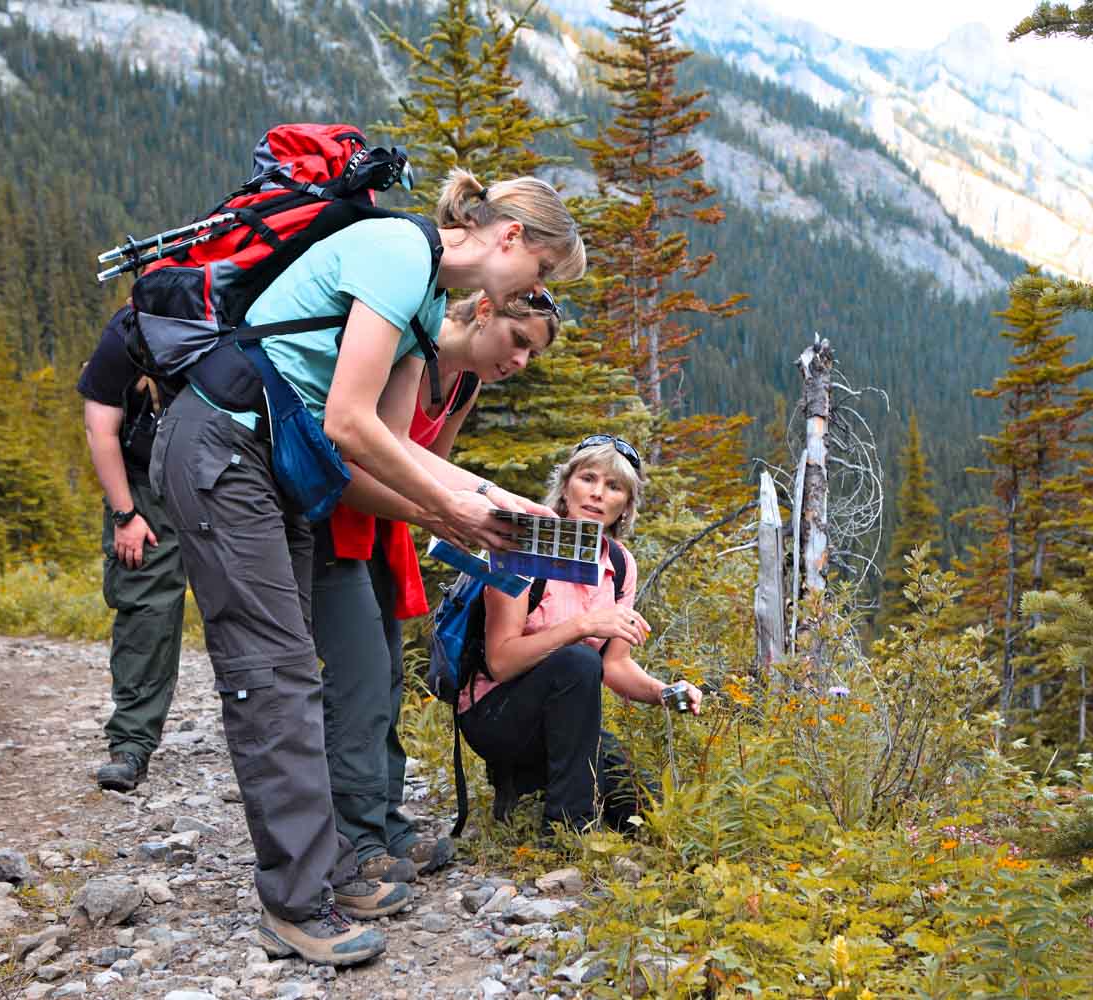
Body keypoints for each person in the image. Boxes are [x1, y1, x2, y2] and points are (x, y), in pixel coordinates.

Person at [150, 169, 584, 967]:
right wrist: (451, 513)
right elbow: (351, 423)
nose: (537, 291)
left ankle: (333, 865)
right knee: (274, 673)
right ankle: (296, 901)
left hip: (280, 468)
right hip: (222, 447)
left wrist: (513, 508)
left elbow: (398, 456)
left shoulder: (420, 295)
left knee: (302, 679)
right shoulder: (394, 251)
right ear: (512, 239)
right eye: (544, 274)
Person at [313, 289, 562, 886]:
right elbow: (357, 463)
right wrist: (456, 509)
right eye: (519, 341)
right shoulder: (409, 350)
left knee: (390, 676)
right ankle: (355, 839)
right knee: (360, 680)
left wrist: (486, 507)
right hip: (331, 518)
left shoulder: (462, 384)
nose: (520, 362)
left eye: (532, 353)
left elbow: (427, 474)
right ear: (483, 310)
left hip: (383, 531)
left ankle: (385, 824)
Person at [462, 434, 704, 837]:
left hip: (565, 719)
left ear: (625, 505)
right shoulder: (525, 545)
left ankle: (530, 782)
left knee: (643, 806)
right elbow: (500, 662)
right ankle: (568, 832)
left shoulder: (621, 565)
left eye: (614, 487)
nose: (597, 494)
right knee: (576, 659)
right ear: (566, 485)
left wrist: (665, 691)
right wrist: (582, 627)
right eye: (588, 478)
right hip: (494, 714)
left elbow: (616, 665)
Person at [77, 305, 186, 793]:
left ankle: (275, 740)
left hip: (224, 473)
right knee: (148, 608)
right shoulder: (128, 332)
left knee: (254, 606)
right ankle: (132, 744)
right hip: (144, 485)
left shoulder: (230, 311)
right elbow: (100, 430)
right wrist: (125, 515)